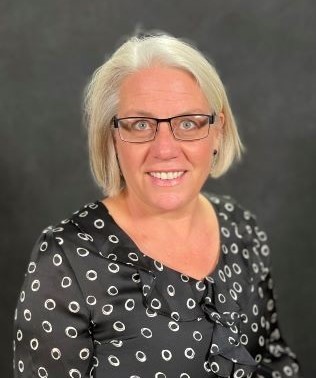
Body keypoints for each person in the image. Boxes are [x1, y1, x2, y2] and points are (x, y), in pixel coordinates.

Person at [13, 33, 301, 378]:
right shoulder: (66, 259)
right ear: (112, 137)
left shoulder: (242, 228)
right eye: (140, 124)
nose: (165, 149)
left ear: (218, 131)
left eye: (188, 123)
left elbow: (274, 361)